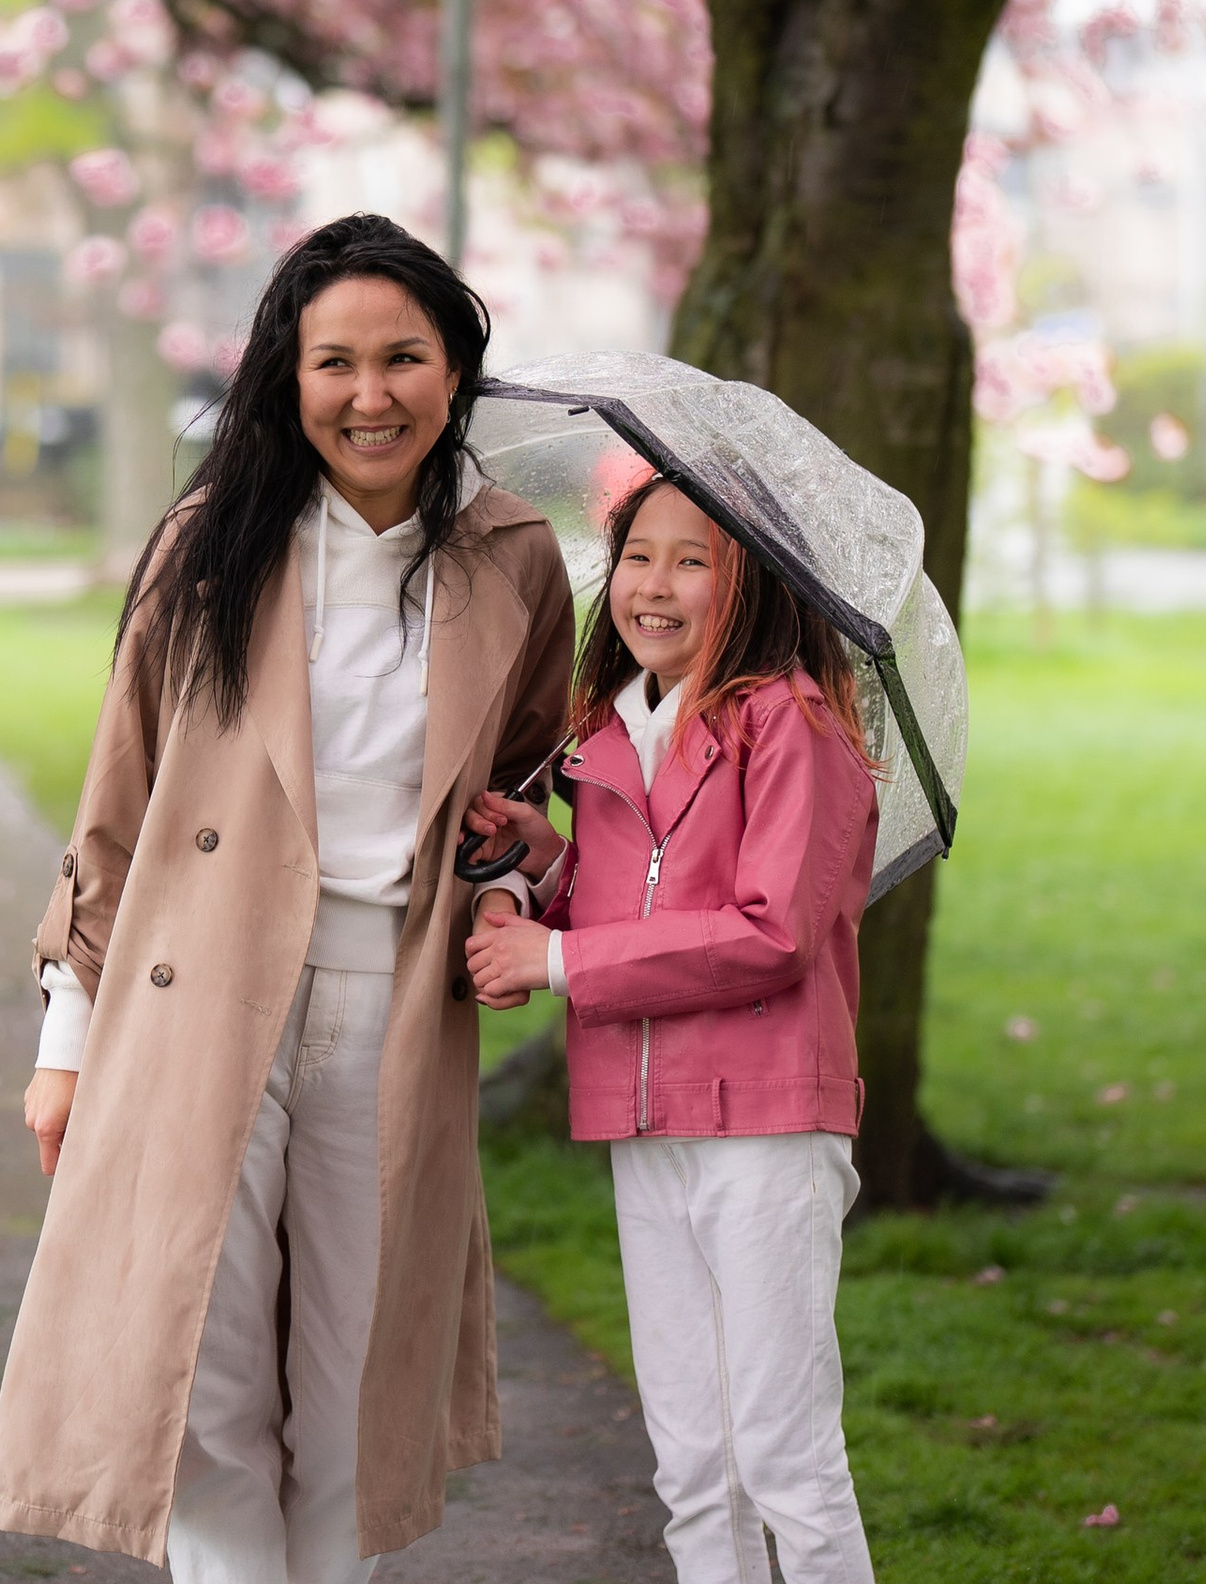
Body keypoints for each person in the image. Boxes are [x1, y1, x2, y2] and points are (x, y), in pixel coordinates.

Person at [0, 215, 581, 1584]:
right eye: (335, 363)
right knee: (197, 1378)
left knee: (358, 1392)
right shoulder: (211, 545)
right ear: (284, 375)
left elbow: (531, 779)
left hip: (391, 1009)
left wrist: (508, 847)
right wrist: (62, 1048)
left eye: (404, 359)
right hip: (196, 997)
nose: (371, 395)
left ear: (455, 368)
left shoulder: (515, 556)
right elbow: (115, 808)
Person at [463, 473, 883, 1584]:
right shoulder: (608, 733)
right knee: (692, 1460)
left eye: (691, 560)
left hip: (766, 1124)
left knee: (784, 1454)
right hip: (644, 1120)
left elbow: (768, 933)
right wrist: (545, 861)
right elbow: (633, 896)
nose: (654, 586)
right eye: (638, 556)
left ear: (753, 579)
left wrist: (553, 959)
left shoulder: (792, 724)